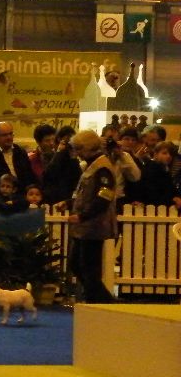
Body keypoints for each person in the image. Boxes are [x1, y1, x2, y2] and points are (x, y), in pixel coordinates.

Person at [66, 129, 118, 304]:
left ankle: (103, 303)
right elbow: (85, 193)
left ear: (88, 148)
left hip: (95, 226)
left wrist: (82, 216)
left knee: (89, 270)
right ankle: (97, 299)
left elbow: (104, 197)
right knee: (77, 265)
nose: (77, 153)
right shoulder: (92, 165)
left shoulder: (102, 168)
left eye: (79, 149)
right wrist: (68, 203)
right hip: (85, 227)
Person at [0, 122, 37, 192]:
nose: (9, 137)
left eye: (10, 134)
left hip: (22, 195)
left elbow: (29, 176)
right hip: (0, 196)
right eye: (5, 135)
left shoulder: (20, 152)